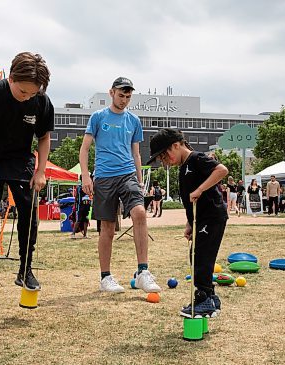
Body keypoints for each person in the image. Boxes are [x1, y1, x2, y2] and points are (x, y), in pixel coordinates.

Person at [0, 52, 54, 296]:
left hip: (21, 161)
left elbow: (44, 137)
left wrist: (40, 171)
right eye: (23, 92)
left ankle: (25, 269)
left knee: (29, 213)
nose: (27, 97)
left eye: (33, 93)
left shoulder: (42, 102)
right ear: (12, 78)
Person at [79, 76, 161, 294]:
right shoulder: (97, 117)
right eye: (121, 95)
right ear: (111, 93)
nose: (124, 100)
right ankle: (105, 277)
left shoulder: (133, 121)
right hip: (104, 177)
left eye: (128, 96)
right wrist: (86, 176)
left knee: (140, 213)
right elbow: (85, 149)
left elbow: (136, 153)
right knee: (107, 228)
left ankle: (143, 272)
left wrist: (140, 181)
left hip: (128, 175)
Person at [146, 128, 228, 317]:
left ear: (176, 145)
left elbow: (221, 170)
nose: (164, 162)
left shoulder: (197, 158)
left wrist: (200, 189)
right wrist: (190, 224)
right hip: (201, 219)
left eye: (164, 156)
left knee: (201, 256)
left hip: (212, 216)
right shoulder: (183, 168)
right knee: (196, 255)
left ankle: (203, 298)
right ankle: (210, 297)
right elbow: (189, 202)